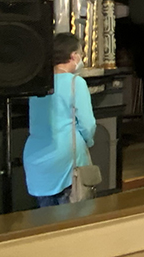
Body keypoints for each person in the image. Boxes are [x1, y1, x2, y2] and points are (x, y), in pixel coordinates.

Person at [23, 33, 96, 207]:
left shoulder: (37, 84)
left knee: (46, 218)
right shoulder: (76, 83)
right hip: (67, 159)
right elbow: (88, 124)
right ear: (73, 56)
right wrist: (88, 141)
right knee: (74, 217)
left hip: (36, 159)